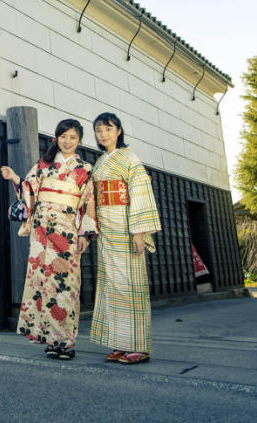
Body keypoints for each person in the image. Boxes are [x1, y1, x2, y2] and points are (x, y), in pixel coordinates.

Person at [0, 119, 97, 360]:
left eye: (72, 137)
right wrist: (15, 177)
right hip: (42, 230)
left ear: (78, 141)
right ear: (56, 139)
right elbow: (29, 189)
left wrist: (85, 233)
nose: (67, 141)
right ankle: (50, 339)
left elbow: (88, 202)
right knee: (42, 282)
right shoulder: (44, 165)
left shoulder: (85, 168)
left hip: (66, 231)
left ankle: (67, 342)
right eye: (63, 136)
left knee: (66, 284)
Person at [90, 111, 161, 364]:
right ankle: (120, 342)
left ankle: (139, 346)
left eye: (108, 129)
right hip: (107, 228)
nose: (103, 134)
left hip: (125, 223)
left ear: (118, 131)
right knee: (112, 285)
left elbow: (140, 193)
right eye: (99, 130)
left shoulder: (130, 158)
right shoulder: (100, 163)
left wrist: (139, 231)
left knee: (131, 285)